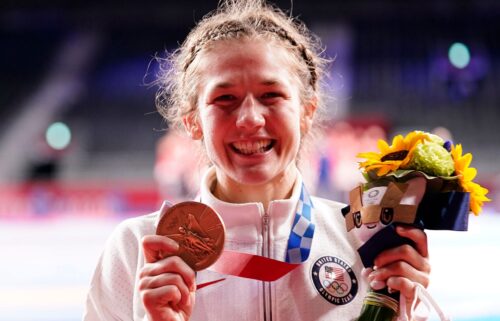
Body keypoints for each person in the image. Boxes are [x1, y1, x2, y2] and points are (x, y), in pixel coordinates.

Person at [83, 0, 430, 320]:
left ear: (307, 112)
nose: (250, 118)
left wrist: (410, 310)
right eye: (225, 98)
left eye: (271, 95)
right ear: (192, 121)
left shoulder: (365, 241)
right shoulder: (139, 248)